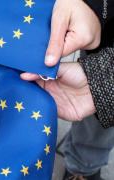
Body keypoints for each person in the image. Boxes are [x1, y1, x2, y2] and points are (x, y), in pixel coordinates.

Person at [21, 0, 114, 179]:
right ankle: (82, 167)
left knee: (99, 111)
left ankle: (84, 167)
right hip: (104, 35)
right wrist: (93, 5)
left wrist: (105, 83)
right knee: (93, 116)